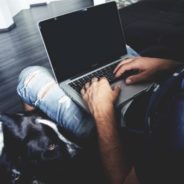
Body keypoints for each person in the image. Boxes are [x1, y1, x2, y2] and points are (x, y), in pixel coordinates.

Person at [17, 53, 181, 183]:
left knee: (29, 76)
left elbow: (123, 180)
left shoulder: (178, 132)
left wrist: (102, 112)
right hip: (156, 92)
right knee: (118, 53)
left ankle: (42, 148)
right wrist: (168, 65)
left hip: (122, 128)